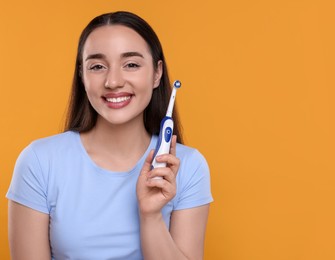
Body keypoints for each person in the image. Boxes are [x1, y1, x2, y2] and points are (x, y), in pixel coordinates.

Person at [7, 11, 213, 260]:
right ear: (82, 75)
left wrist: (150, 216)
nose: (113, 81)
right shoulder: (39, 162)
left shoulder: (188, 167)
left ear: (157, 73)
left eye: (131, 65)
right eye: (97, 66)